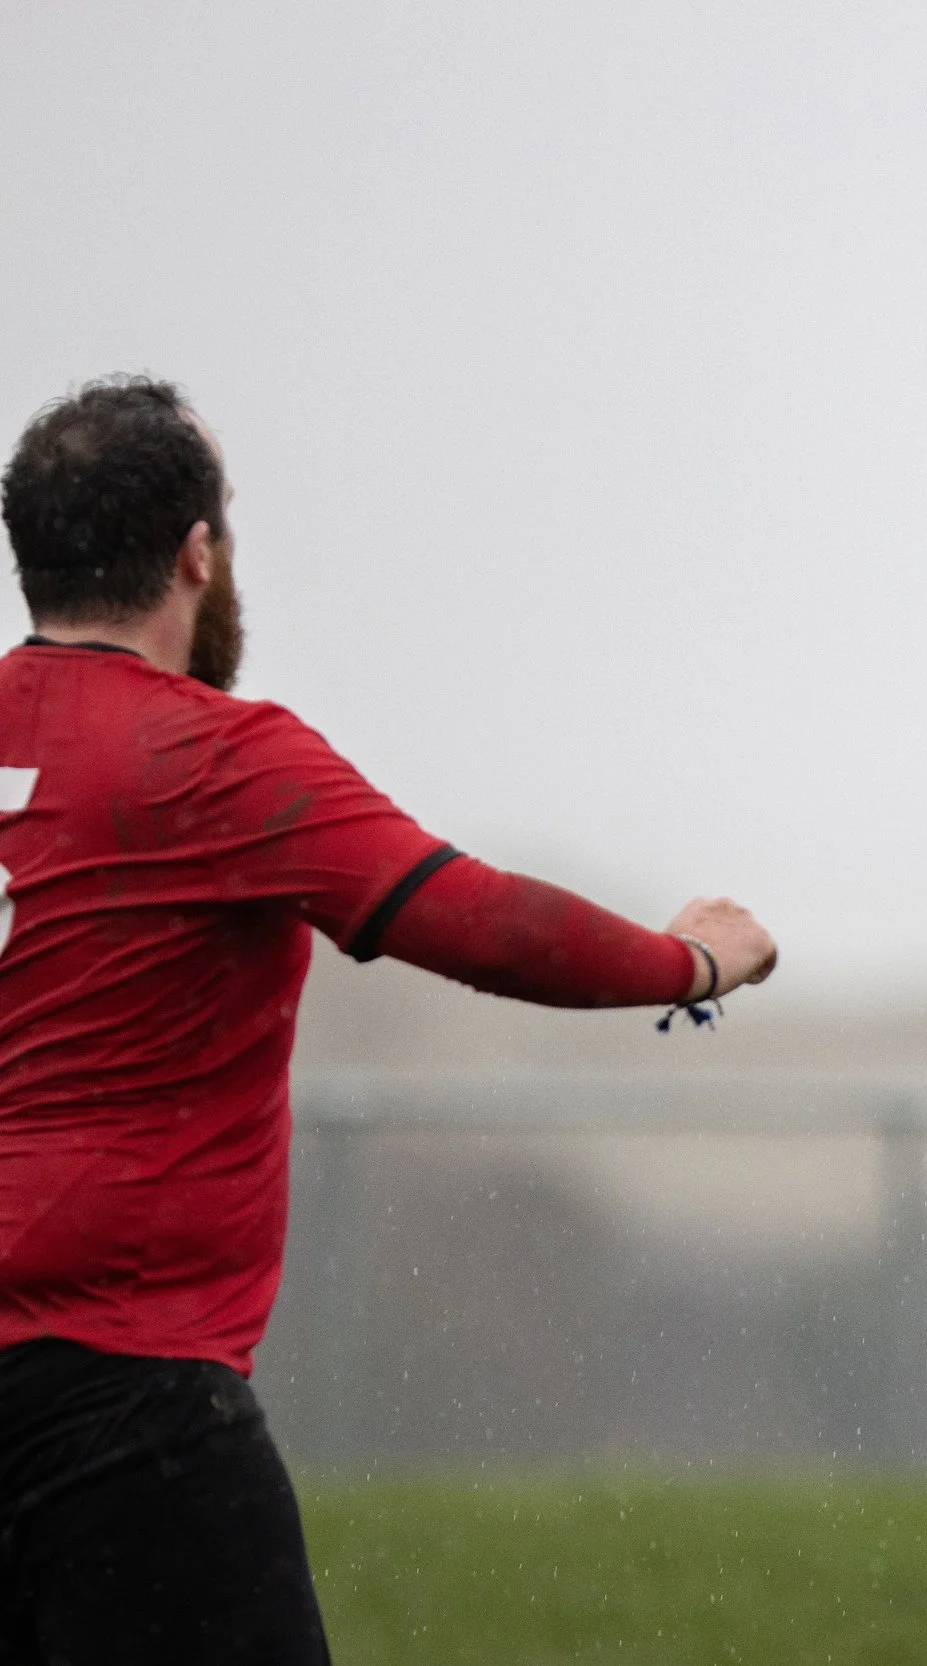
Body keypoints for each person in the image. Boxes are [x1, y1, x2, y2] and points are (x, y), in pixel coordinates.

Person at [0, 378, 779, 1664]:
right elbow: (477, 921)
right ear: (198, 553)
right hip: (120, 1394)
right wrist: (691, 959)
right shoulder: (208, 756)